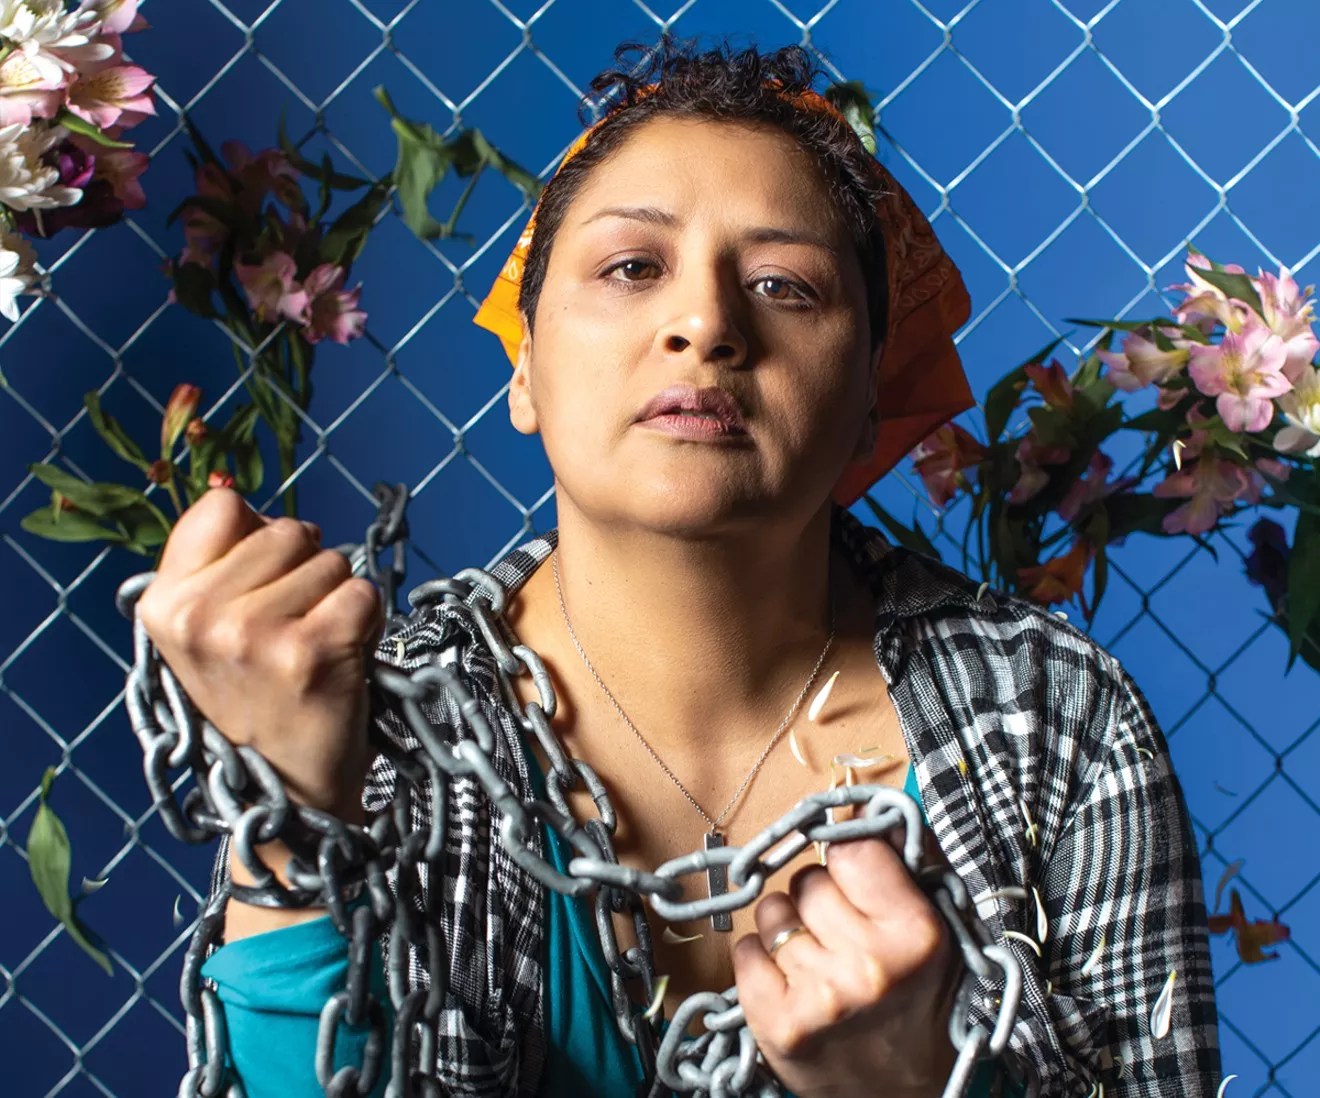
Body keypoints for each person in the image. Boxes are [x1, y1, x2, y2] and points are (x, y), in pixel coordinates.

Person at [138, 38, 1222, 1098]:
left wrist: (929, 1085)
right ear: (525, 368)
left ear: (869, 404)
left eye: (784, 285)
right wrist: (289, 815)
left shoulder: (1052, 715)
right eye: (632, 267)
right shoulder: (377, 721)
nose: (704, 322)